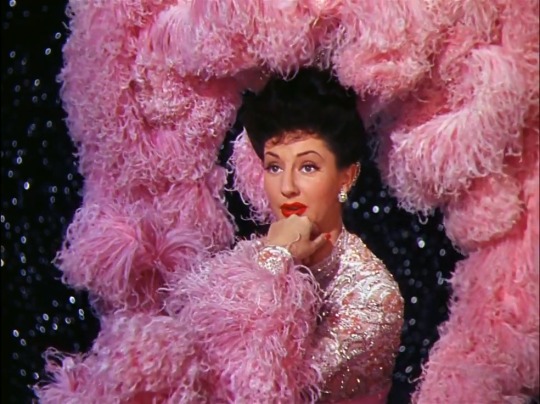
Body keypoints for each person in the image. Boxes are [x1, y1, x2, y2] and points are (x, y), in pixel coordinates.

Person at [36, 68, 403, 404]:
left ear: (346, 177)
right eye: (274, 166)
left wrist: (276, 261)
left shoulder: (372, 297)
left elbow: (265, 391)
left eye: (308, 167)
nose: (287, 186)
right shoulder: (251, 256)